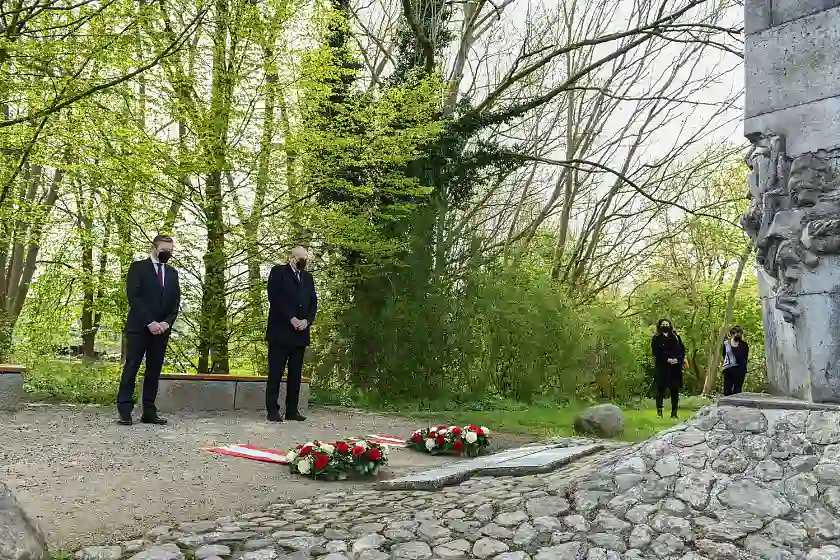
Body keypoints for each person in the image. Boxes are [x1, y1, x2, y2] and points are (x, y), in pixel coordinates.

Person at [116, 235, 181, 426]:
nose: (167, 254)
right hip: (139, 328)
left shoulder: (172, 273)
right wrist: (150, 322)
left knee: (154, 370)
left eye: (170, 251)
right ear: (154, 248)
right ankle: (125, 410)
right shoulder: (138, 268)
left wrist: (166, 323)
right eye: (164, 250)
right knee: (132, 367)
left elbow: (175, 302)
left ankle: (149, 412)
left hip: (161, 331)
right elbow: (134, 297)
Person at [265, 246, 317, 422]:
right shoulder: (278, 272)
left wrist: (307, 321)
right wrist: (291, 318)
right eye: (300, 257)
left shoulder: (308, 278)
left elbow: (313, 302)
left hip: (300, 334)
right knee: (276, 372)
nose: (303, 260)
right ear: (292, 257)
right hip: (280, 331)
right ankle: (273, 410)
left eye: (305, 258)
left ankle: (292, 410)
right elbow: (274, 297)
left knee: (295, 374)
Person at [651, 318, 686, 419]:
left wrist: (677, 359)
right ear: (660, 326)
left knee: (674, 390)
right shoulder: (656, 338)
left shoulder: (676, 337)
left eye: (667, 324)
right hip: (662, 368)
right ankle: (659, 412)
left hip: (675, 368)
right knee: (660, 390)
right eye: (663, 324)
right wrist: (666, 359)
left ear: (670, 326)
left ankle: (674, 413)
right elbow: (656, 353)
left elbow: (682, 350)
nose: (665, 326)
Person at [722, 325, 749, 396]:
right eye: (735, 332)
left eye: (739, 332)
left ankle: (736, 406)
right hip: (728, 369)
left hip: (740, 370)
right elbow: (724, 355)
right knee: (727, 390)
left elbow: (745, 356)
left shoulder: (744, 345)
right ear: (731, 334)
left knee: (737, 390)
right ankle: (727, 405)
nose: (737, 334)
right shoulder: (726, 344)